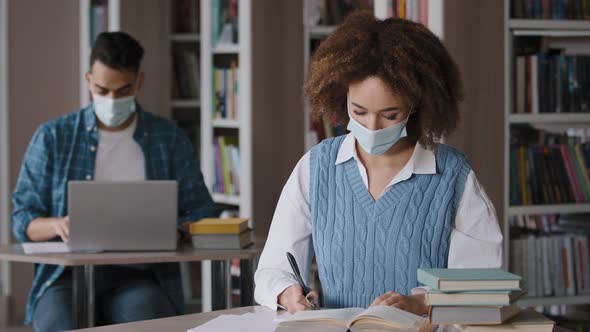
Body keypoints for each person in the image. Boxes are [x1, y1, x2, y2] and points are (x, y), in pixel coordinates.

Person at [254, 12, 502, 315]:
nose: (372, 127)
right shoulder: (315, 168)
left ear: (416, 105)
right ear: (340, 94)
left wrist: (421, 303)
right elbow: (272, 270)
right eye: (359, 111)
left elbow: (482, 287)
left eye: (390, 114)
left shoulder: (453, 177)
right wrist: (286, 293)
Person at [12, 32, 216, 331]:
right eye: (101, 90)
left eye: (122, 91)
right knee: (59, 322)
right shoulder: (53, 137)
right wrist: (58, 225)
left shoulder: (168, 138)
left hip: (139, 277)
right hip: (64, 277)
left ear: (139, 83)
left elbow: (202, 211)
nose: (111, 100)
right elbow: (21, 218)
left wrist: (174, 231)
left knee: (149, 320)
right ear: (87, 80)